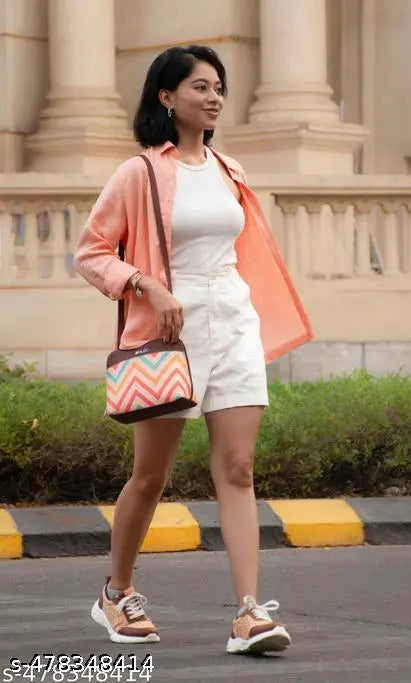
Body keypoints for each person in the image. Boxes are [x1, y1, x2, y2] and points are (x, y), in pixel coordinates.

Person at [74, 45, 312, 654]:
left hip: (232, 320)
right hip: (168, 332)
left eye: (218, 88)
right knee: (151, 475)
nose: (214, 98)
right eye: (201, 87)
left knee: (238, 468)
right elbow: (91, 252)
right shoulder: (140, 172)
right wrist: (146, 284)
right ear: (167, 96)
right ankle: (116, 592)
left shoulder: (230, 170)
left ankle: (249, 613)